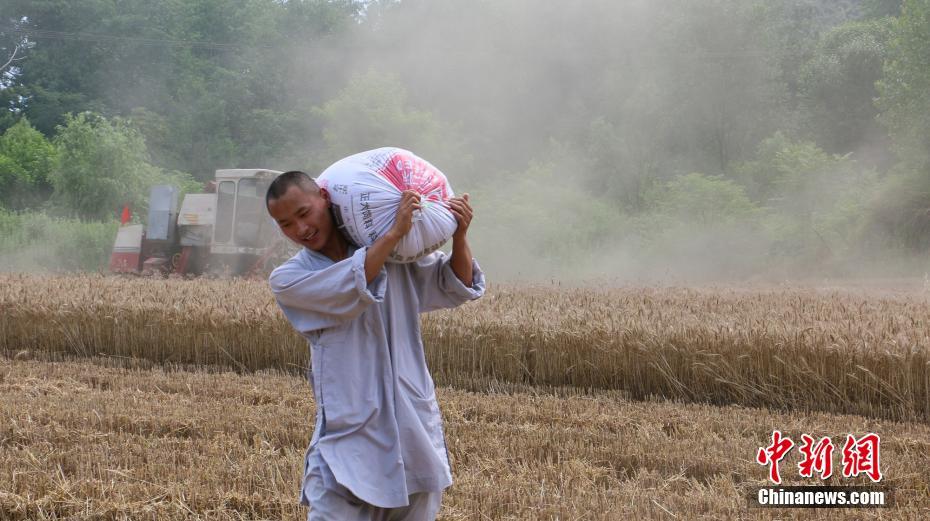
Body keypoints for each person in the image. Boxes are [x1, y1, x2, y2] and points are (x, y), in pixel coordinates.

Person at [265, 170, 485, 521]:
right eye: (286, 224)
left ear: (325, 198)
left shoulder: (396, 259)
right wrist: (394, 232)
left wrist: (459, 235)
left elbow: (455, 283)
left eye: (304, 213)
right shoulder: (290, 279)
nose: (300, 229)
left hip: (412, 432)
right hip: (347, 445)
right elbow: (355, 280)